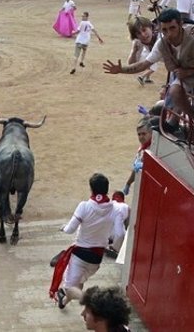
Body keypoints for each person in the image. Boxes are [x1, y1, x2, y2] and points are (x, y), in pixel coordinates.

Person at [104, 9, 194, 139]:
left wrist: (189, 72)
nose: (169, 34)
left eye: (172, 28)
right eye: (165, 30)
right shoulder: (161, 43)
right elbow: (144, 64)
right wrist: (122, 70)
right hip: (187, 73)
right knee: (174, 91)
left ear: (181, 24)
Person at [49, 173, 125, 309]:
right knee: (79, 282)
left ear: (91, 189)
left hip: (80, 255)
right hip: (96, 259)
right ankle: (63, 302)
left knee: (69, 288)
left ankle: (91, 302)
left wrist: (63, 228)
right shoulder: (115, 209)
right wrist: (113, 246)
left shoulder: (84, 206)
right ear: (107, 190)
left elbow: (70, 229)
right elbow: (120, 234)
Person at [126, 16, 160, 85]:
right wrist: (134, 51)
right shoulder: (138, 41)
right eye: (138, 33)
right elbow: (131, 64)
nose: (143, 35)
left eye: (144, 30)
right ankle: (144, 77)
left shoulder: (161, 37)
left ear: (150, 27)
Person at [123, 117, 152, 195]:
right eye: (139, 134)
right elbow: (135, 170)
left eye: (144, 134)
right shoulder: (141, 149)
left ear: (151, 133)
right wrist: (128, 183)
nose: (141, 137)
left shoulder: (154, 150)